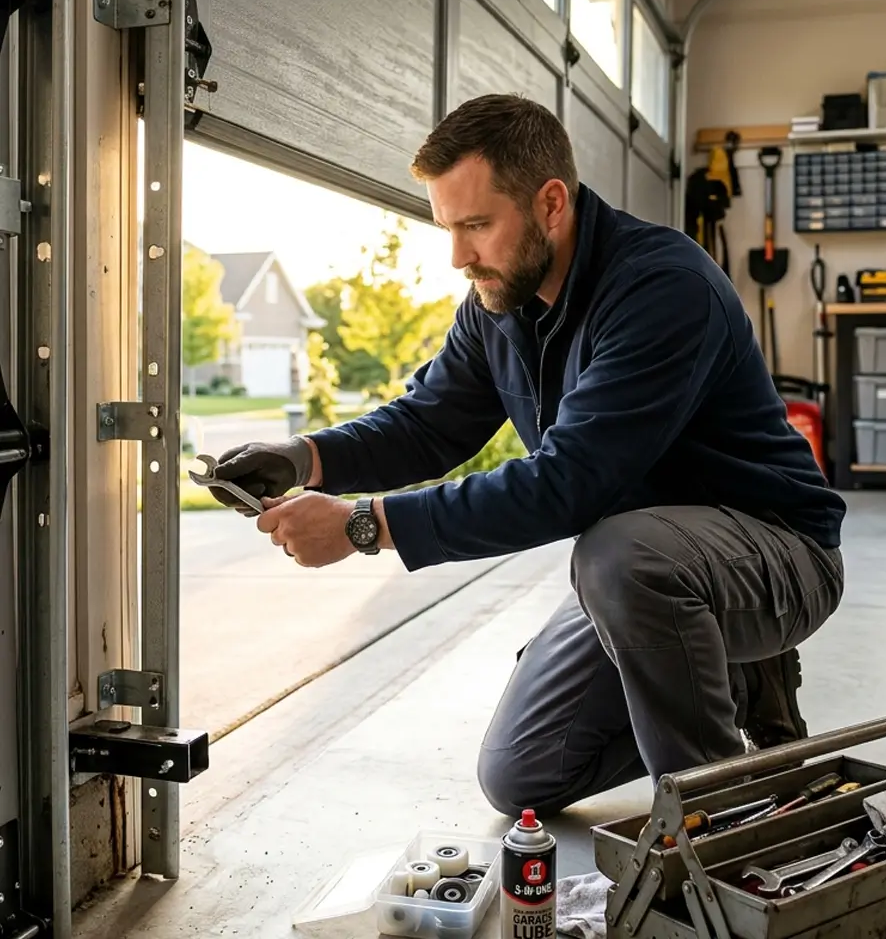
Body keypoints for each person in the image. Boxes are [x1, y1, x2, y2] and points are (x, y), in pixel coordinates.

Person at [209, 93, 846, 818]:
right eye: (448, 229)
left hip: (773, 552)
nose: (458, 257)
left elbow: (566, 486)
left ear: (550, 204)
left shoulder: (664, 287)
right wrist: (302, 457)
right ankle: (727, 679)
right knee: (522, 774)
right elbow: (428, 424)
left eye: (477, 225)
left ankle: (720, 816)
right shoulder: (498, 304)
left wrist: (362, 526)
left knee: (618, 555)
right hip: (648, 576)